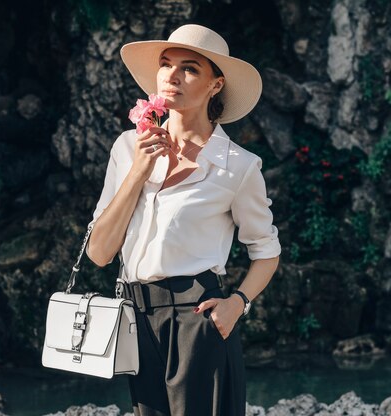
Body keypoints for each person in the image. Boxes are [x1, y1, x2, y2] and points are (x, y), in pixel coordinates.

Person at [85, 24, 281, 416]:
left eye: (189, 68)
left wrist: (237, 303)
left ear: (215, 85)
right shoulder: (128, 147)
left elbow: (266, 251)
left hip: (197, 318)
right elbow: (99, 253)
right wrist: (139, 171)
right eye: (165, 64)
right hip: (133, 317)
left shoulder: (238, 167)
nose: (172, 76)